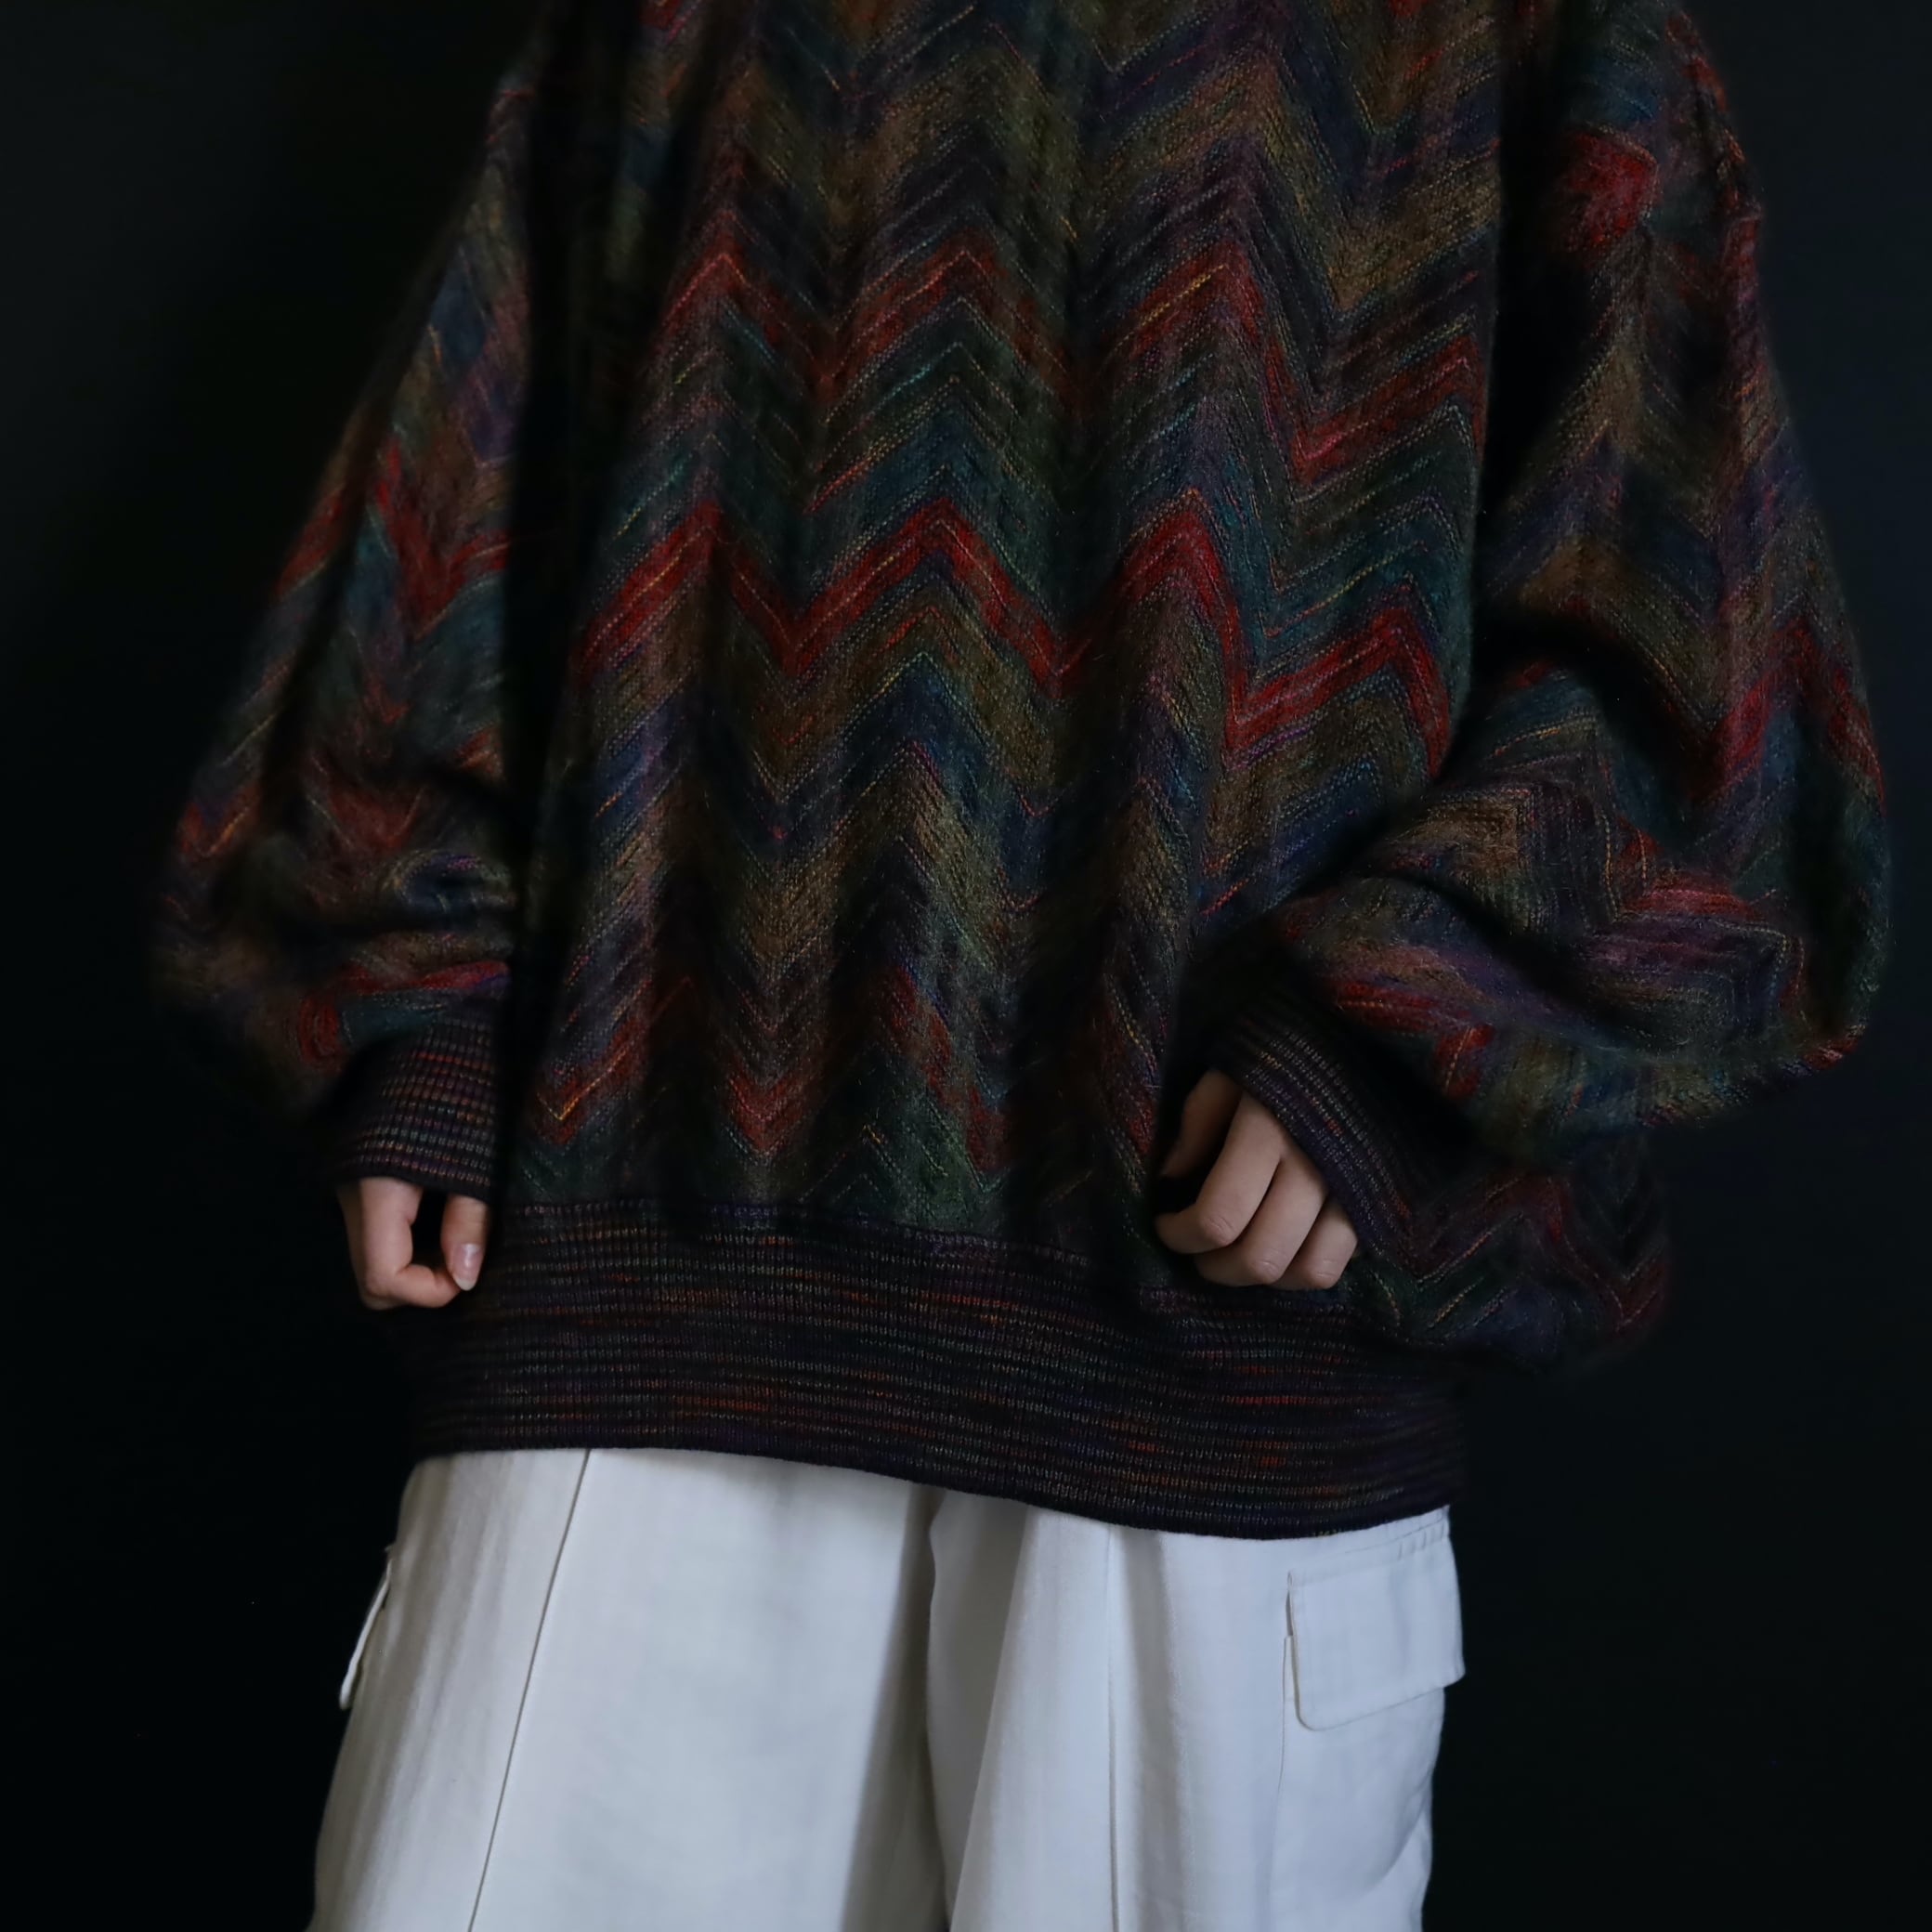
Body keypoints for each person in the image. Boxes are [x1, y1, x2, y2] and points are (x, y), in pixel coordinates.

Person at [145, 1, 1891, 1926]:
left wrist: (1404, 1027)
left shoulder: (1523, 32)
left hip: (1192, 1333)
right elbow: (466, 499)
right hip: (635, 1278)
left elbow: (1704, 654)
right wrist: (413, 1000)